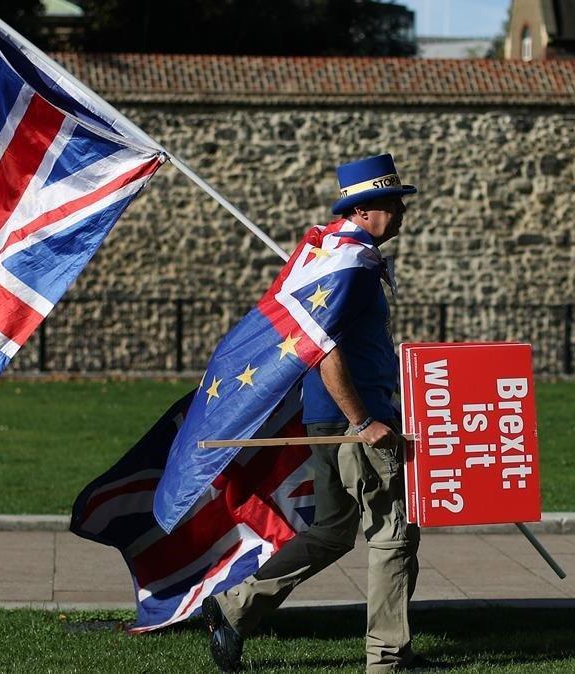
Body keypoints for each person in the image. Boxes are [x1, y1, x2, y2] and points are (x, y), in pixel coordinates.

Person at [202, 154, 439, 672]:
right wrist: (363, 420)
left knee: (332, 531)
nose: (402, 213)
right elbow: (321, 344)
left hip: (327, 417)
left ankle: (233, 606)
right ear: (367, 209)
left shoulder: (336, 255)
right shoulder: (351, 266)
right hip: (358, 424)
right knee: (393, 533)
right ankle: (388, 659)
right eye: (395, 204)